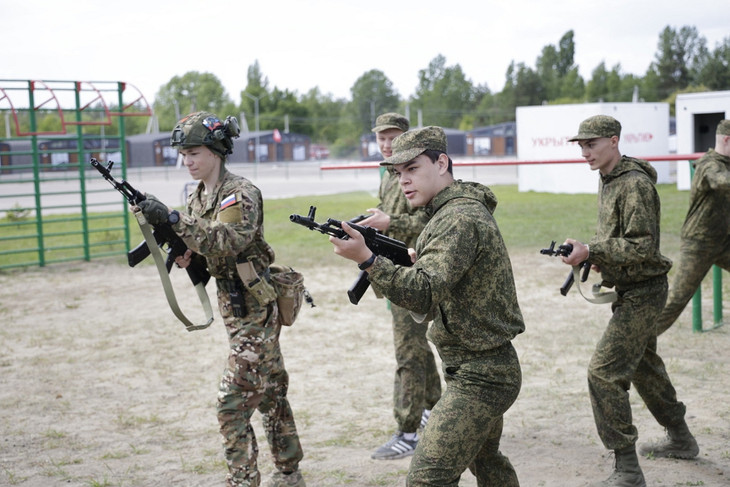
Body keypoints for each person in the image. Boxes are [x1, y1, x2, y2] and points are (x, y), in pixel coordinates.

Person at [329, 126, 524, 486]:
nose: (403, 181)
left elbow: (421, 293)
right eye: (397, 173)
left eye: (413, 169)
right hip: (474, 365)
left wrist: (369, 260)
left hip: (482, 374)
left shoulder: (458, 218)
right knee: (488, 463)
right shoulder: (447, 213)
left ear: (442, 163)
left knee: (426, 479)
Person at [134, 111, 305, 487]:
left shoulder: (239, 193)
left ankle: (243, 480)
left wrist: (176, 220)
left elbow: (227, 241)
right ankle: (290, 467)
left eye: (194, 152)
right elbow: (204, 246)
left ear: (215, 151)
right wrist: (186, 254)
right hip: (234, 306)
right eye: (184, 154)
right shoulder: (198, 196)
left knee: (232, 403)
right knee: (271, 388)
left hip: (255, 308)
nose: (187, 161)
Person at [561, 115, 698, 487]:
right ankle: (682, 438)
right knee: (644, 367)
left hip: (645, 292)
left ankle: (627, 469)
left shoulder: (634, 184)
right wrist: (589, 253)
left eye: (592, 144)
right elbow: (617, 238)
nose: (586, 152)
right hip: (631, 290)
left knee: (604, 373)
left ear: (614, 141)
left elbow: (642, 245)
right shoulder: (609, 179)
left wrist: (594, 249)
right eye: (581, 146)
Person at [359, 112, 442, 460]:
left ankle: (408, 431)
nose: (386, 143)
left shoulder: (420, 172)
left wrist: (390, 221)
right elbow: (389, 209)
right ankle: (436, 411)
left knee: (408, 352)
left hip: (415, 269)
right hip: (392, 269)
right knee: (418, 349)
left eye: (393, 137)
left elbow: (429, 217)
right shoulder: (388, 172)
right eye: (381, 138)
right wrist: (374, 220)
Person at [655, 119, 730, 337]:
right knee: (676, 300)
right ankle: (635, 343)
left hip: (724, 241)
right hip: (699, 243)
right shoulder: (709, 165)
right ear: (726, 140)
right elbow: (720, 182)